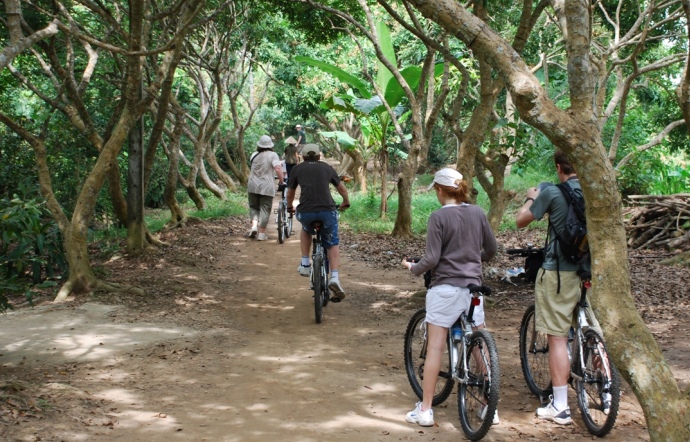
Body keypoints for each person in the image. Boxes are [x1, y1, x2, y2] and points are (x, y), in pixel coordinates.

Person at [401, 168, 497, 427]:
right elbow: (491, 249)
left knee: (435, 347)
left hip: (445, 289)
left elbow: (431, 259)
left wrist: (414, 268)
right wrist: (473, 260)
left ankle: (425, 410)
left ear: (440, 190)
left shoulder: (438, 217)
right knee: (478, 342)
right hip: (473, 289)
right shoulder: (477, 212)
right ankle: (490, 406)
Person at [516, 150, 602, 425]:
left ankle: (561, 407)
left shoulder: (552, 192)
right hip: (588, 271)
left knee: (557, 338)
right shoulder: (595, 190)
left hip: (558, 274)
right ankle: (608, 392)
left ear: (558, 167)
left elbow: (521, 220)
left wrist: (531, 195)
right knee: (593, 330)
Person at [286, 144, 350, 300]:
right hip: (327, 211)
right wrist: (345, 202)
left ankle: (305, 263)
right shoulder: (327, 168)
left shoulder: (297, 169)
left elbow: (290, 192)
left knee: (306, 229)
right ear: (319, 156)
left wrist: (289, 207)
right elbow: (341, 188)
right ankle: (334, 277)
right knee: (332, 241)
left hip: (306, 211)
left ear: (302, 156)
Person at [247, 135, 284, 241]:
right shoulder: (273, 155)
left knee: (254, 207)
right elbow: (277, 168)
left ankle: (254, 226)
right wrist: (282, 181)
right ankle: (261, 234)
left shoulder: (254, 154)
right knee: (265, 209)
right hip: (266, 186)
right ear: (270, 145)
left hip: (252, 185)